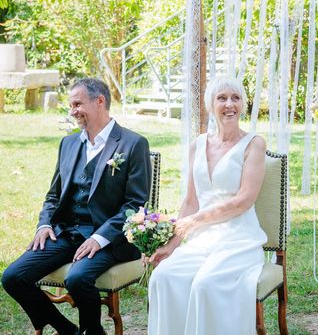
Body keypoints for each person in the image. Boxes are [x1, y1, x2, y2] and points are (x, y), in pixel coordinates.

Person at [2, 78, 151, 335]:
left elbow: (135, 204)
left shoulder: (133, 143)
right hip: (66, 232)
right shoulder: (69, 143)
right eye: (71, 106)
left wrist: (100, 237)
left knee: (78, 278)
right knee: (12, 277)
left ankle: (93, 331)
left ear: (100, 101)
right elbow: (53, 195)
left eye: (78, 104)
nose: (73, 112)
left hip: (110, 239)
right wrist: (45, 224)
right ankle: (67, 330)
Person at [147, 76, 267, 335]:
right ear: (210, 105)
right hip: (202, 240)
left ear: (244, 105)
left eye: (236, 98)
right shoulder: (197, 145)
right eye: (221, 98)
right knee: (163, 277)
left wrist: (196, 221)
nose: (229, 104)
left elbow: (244, 200)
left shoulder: (254, 144)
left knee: (206, 284)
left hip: (239, 238)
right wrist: (172, 243)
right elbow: (191, 200)